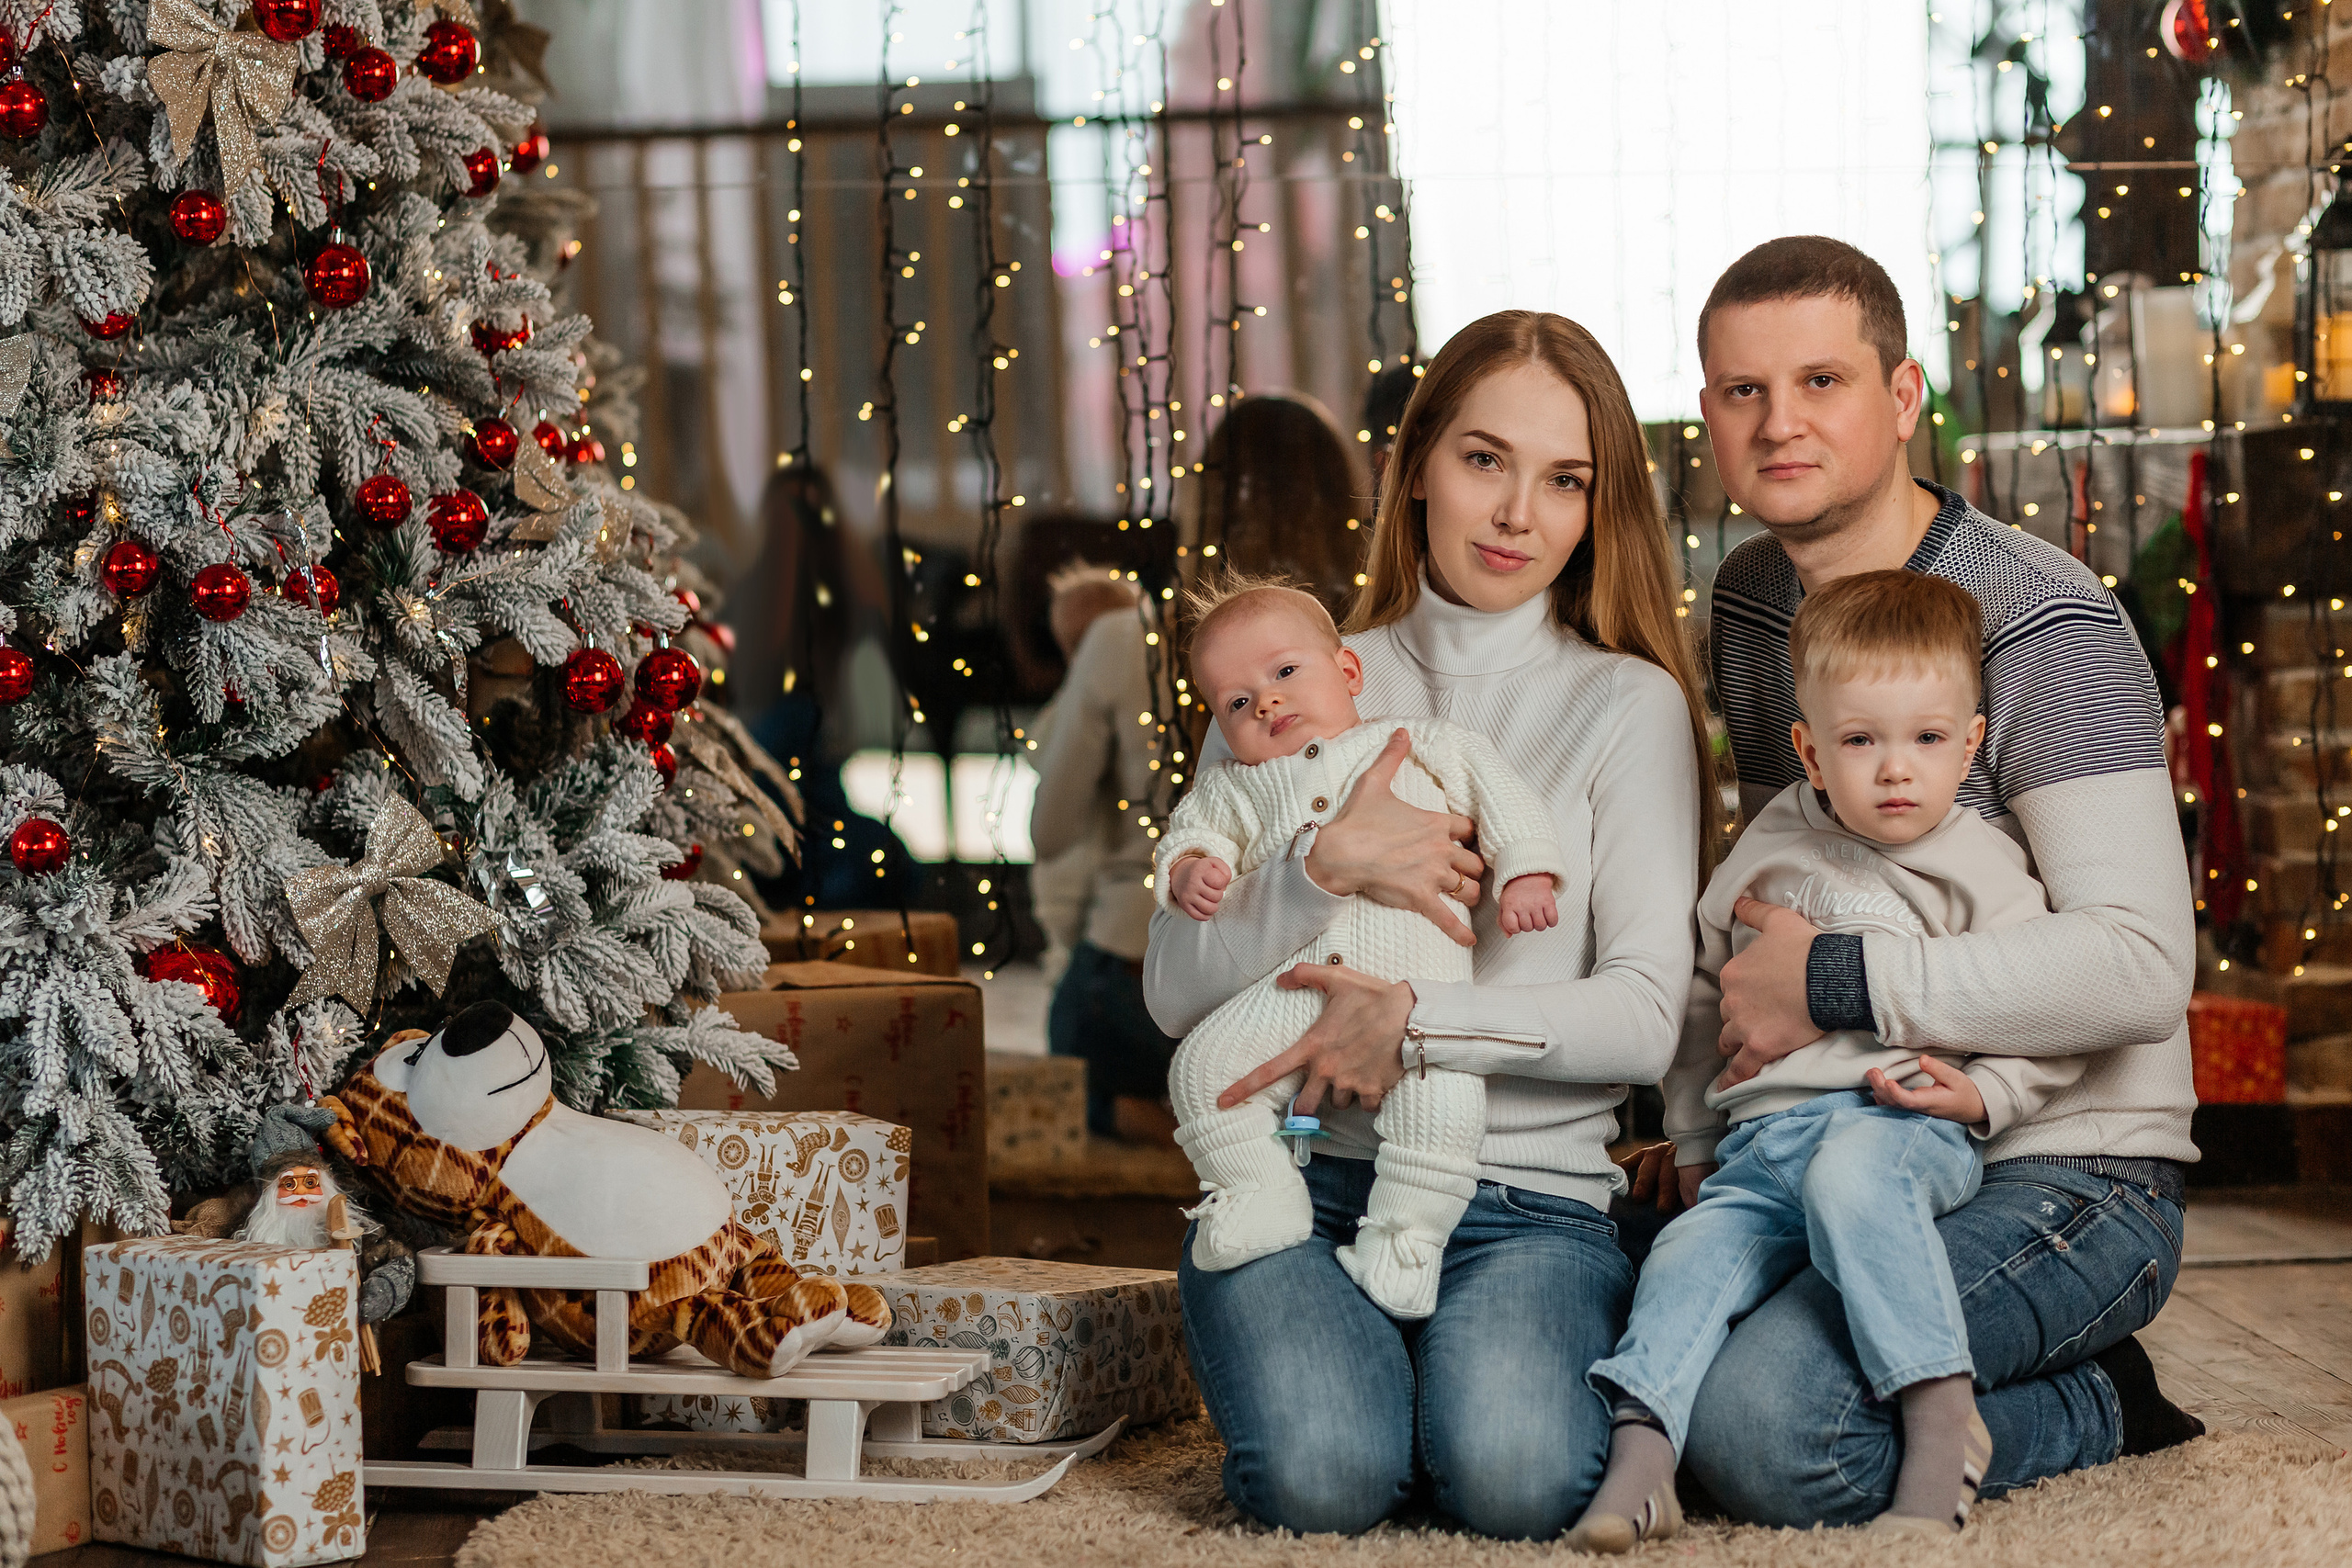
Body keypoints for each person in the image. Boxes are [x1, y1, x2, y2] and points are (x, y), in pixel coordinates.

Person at [1145, 313, 1713, 1539]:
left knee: (1513, 1475)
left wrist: (1414, 1019)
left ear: (1596, 504)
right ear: (1416, 466)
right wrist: (1320, 864)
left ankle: (1427, 1382)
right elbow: (1173, 992)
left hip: (1533, 1202)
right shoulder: (1288, 673)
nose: (1518, 513)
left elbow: (1645, 1014)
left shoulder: (1628, 701)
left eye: (1565, 479)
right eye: (1484, 459)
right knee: (1322, 1480)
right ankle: (1363, 1381)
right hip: (1304, 1173)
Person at [1667, 235, 2202, 1528]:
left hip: (2074, 1166)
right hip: (1849, 1137)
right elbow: (1790, 884)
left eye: (1822, 382)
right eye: (1744, 392)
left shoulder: (2044, 619)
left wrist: (1836, 981)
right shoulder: (1751, 607)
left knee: (1769, 1427)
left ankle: (2098, 1396)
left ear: (1903, 398)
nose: (1780, 423)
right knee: (1646, 1353)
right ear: (1710, 419)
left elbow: (2140, 964)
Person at [1572, 570, 2076, 1551]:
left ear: (1970, 743)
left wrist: (1994, 1091)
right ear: (1807, 748)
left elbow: (2049, 1002)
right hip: (1760, 1145)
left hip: (1890, 1126)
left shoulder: (1983, 863)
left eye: (1927, 740)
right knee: (1683, 1256)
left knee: (1852, 1182)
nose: (1897, 770)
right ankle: (1641, 1462)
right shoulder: (1765, 850)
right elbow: (1699, 996)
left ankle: (1939, 1420)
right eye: (1860, 741)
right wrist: (1688, 1135)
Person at [1159, 578, 1565, 1318]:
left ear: (1348, 672)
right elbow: (1193, 833)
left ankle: (1407, 1241)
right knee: (1202, 1073)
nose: (1268, 704)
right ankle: (1260, 1189)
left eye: (1284, 674)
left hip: (1418, 997)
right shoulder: (1235, 785)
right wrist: (1190, 870)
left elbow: (1501, 795)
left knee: (1442, 1109)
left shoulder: (1414, 741)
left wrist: (1527, 868)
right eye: (1238, 703)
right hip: (1289, 992)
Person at [1033, 394, 1364, 1145]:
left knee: (1083, 1044)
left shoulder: (1131, 636)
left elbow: (1047, 830)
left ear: (1205, 496)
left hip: (1135, 988)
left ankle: (1170, 1120)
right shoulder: (1357, 642)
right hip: (1322, 987)